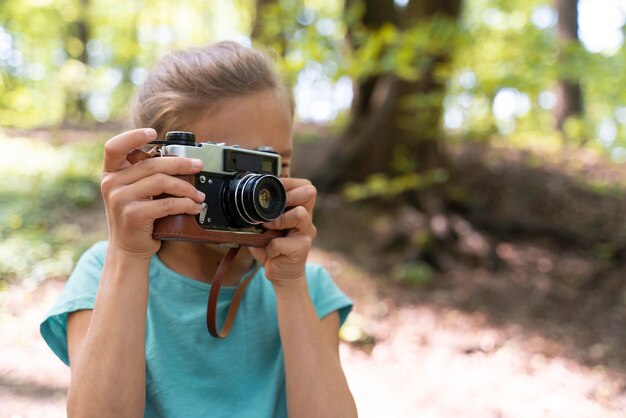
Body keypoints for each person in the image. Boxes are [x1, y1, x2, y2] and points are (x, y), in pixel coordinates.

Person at [40, 41, 357, 418]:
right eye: (230, 165)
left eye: (274, 165)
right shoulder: (105, 273)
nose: (258, 190)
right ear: (154, 166)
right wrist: (128, 255)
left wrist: (289, 285)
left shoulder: (308, 288)